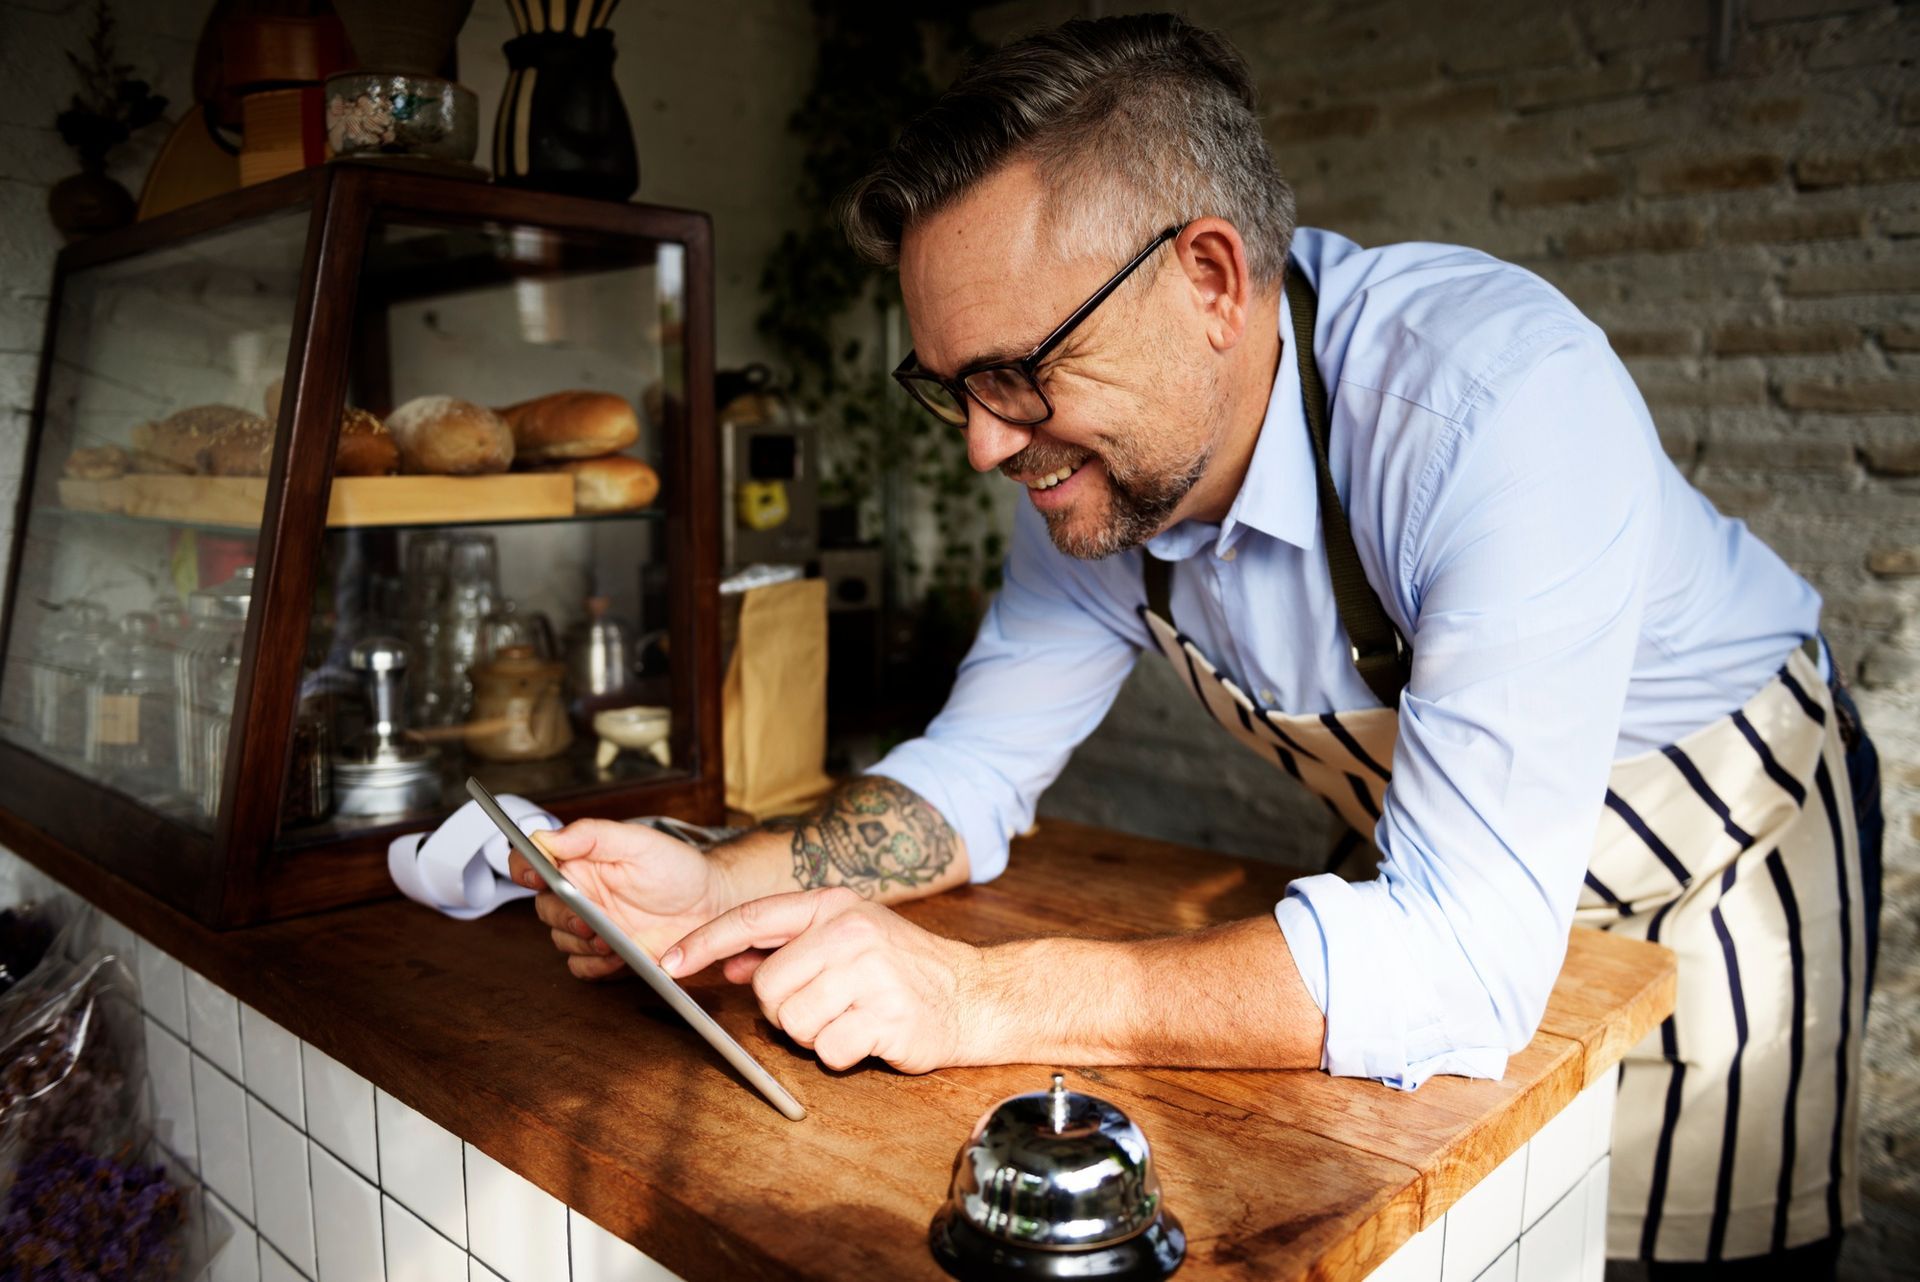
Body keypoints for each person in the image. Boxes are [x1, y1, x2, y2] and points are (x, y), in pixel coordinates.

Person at [509, 14, 1881, 1278]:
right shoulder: (1096, 482)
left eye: (1017, 371)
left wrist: (984, 995)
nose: (986, 443)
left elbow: (1464, 958)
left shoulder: (1491, 405)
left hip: (1722, 853)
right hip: (1450, 882)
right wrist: (716, 884)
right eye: (952, 386)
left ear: (1212, 279)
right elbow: (976, 768)